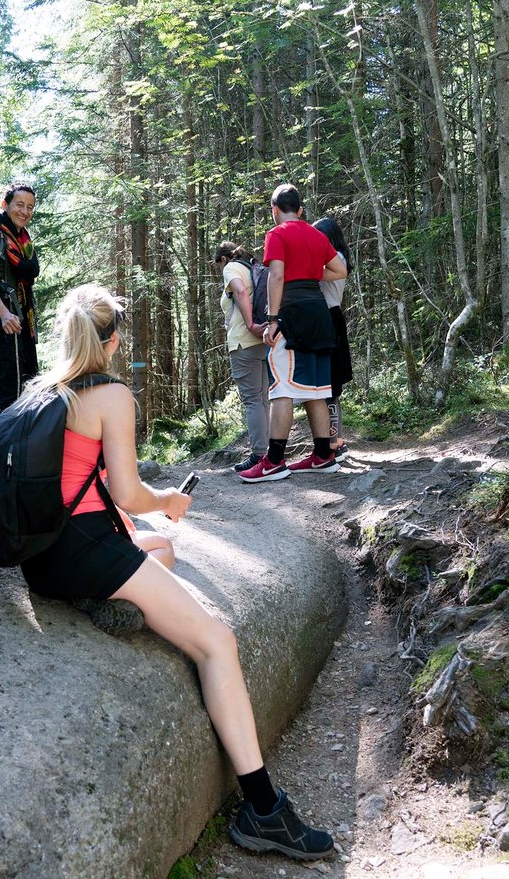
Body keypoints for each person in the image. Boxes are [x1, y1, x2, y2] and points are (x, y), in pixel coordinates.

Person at [19, 284, 335, 862]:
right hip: (87, 550)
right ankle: (264, 810)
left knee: (159, 551)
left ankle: (105, 601)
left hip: (43, 560)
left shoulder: (42, 392)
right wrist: (167, 499)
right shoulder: (110, 393)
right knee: (217, 642)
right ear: (111, 341)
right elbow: (127, 490)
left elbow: (75, 485)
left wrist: (144, 523)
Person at [239, 184, 347, 483]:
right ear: (300, 210)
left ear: (274, 209)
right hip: (319, 313)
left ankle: (273, 461)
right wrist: (311, 272)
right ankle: (324, 455)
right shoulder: (317, 235)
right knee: (317, 388)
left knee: (282, 388)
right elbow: (340, 271)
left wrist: (273, 319)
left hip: (291, 312)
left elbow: (276, 275)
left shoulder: (277, 234)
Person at [0, 184, 40, 431]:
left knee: (1, 384)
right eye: (19, 205)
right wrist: (3, 313)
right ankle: (0, 453)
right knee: (11, 387)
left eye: (30, 207)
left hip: (17, 320)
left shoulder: (23, 241)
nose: (25, 211)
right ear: (6, 205)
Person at [214, 241, 270, 473]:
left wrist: (250, 325)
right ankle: (268, 453)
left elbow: (238, 290)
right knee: (263, 398)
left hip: (243, 341)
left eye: (218, 265)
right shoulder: (252, 267)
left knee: (252, 400)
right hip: (263, 341)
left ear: (223, 259)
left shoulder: (232, 269)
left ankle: (259, 454)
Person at [313, 217, 353, 459]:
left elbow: (313, 273)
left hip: (329, 316)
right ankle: (335, 440)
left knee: (330, 385)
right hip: (330, 315)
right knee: (330, 386)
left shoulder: (335, 257)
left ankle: (334, 443)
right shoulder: (338, 256)